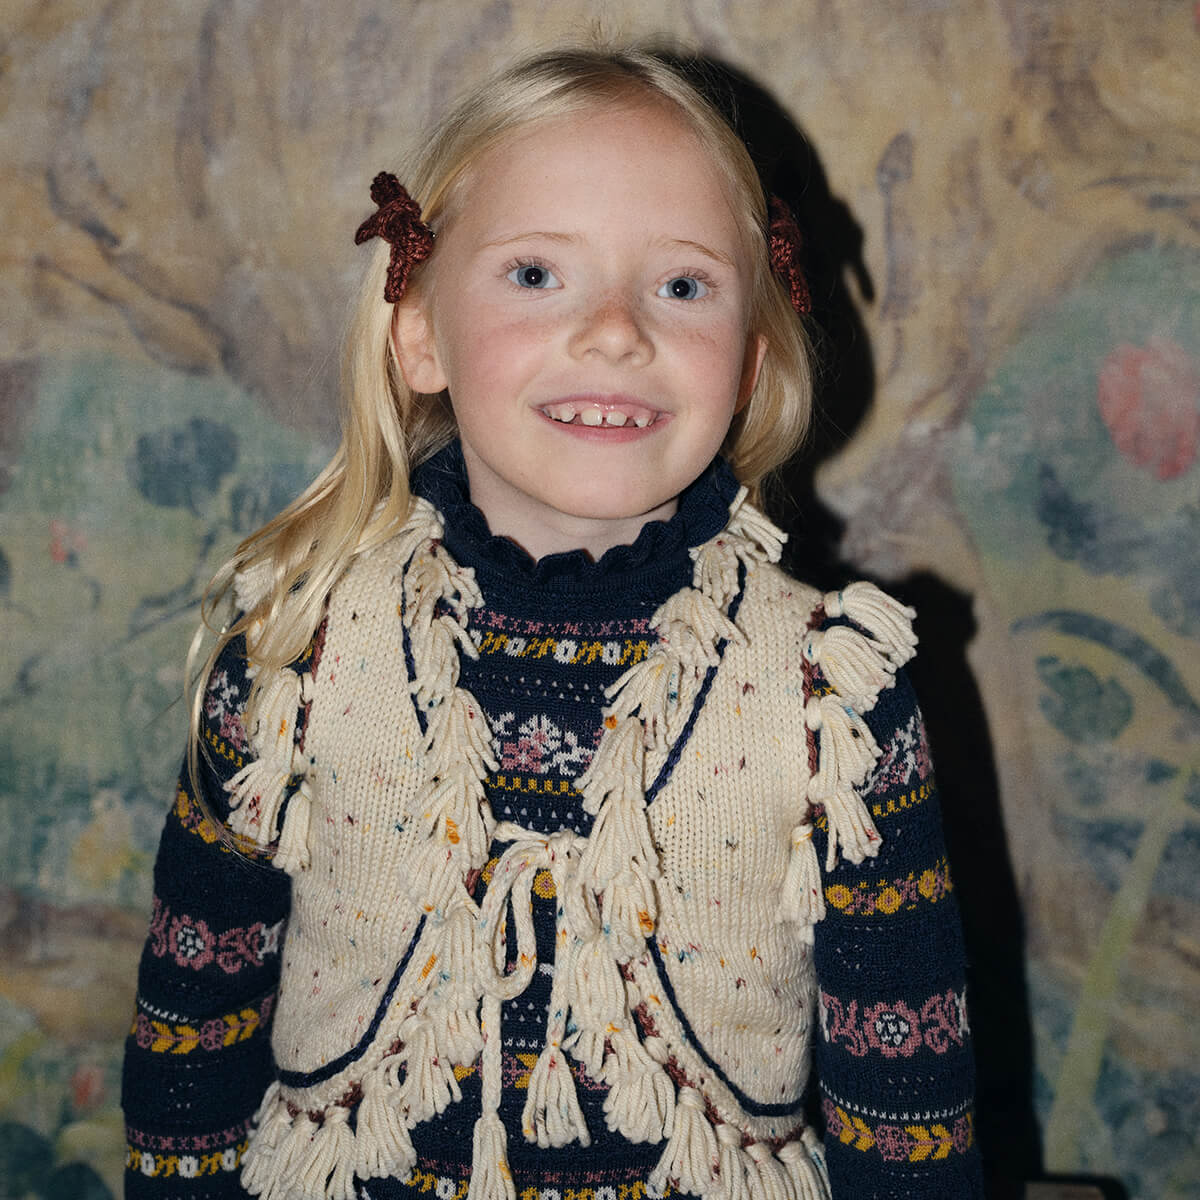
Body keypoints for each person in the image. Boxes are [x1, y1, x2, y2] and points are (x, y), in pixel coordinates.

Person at [122, 45, 982, 1200]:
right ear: (419, 334)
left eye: (682, 286)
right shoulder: (294, 657)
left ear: (749, 361)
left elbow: (911, 1101)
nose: (616, 330)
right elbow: (193, 1017)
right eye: (536, 273)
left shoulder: (834, 698)